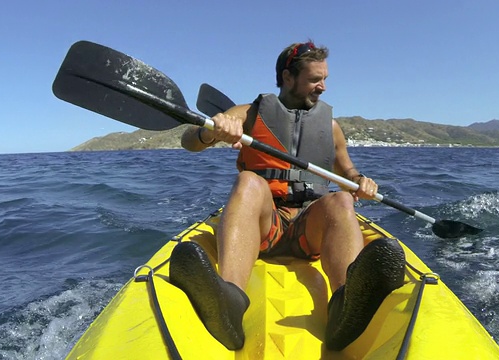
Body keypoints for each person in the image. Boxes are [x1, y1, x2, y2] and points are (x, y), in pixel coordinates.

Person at [170, 40, 405, 351]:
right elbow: (190, 141)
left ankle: (345, 308)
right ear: (287, 77)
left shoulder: (330, 127)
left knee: (340, 200)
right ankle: (230, 302)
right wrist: (213, 130)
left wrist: (361, 182)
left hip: (310, 230)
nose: (322, 87)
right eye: (314, 80)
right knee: (249, 182)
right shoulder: (248, 113)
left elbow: (348, 174)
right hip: (266, 226)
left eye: (324, 80)